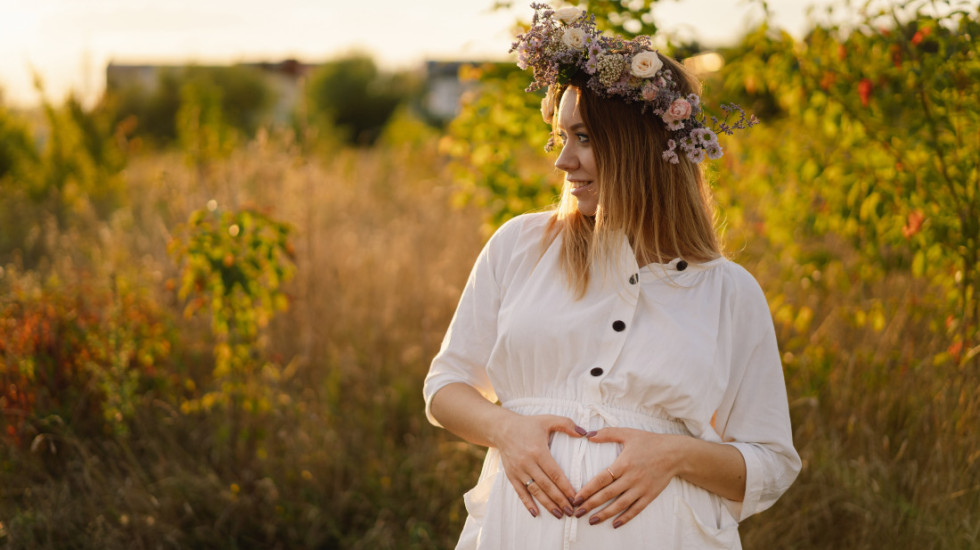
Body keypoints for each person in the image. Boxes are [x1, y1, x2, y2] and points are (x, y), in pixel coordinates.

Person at [423, 4, 801, 548]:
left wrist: (673, 454)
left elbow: (771, 462)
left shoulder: (727, 291)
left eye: (584, 138)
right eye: (561, 138)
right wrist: (506, 429)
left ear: (640, 148)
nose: (563, 162)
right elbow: (445, 387)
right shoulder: (521, 246)